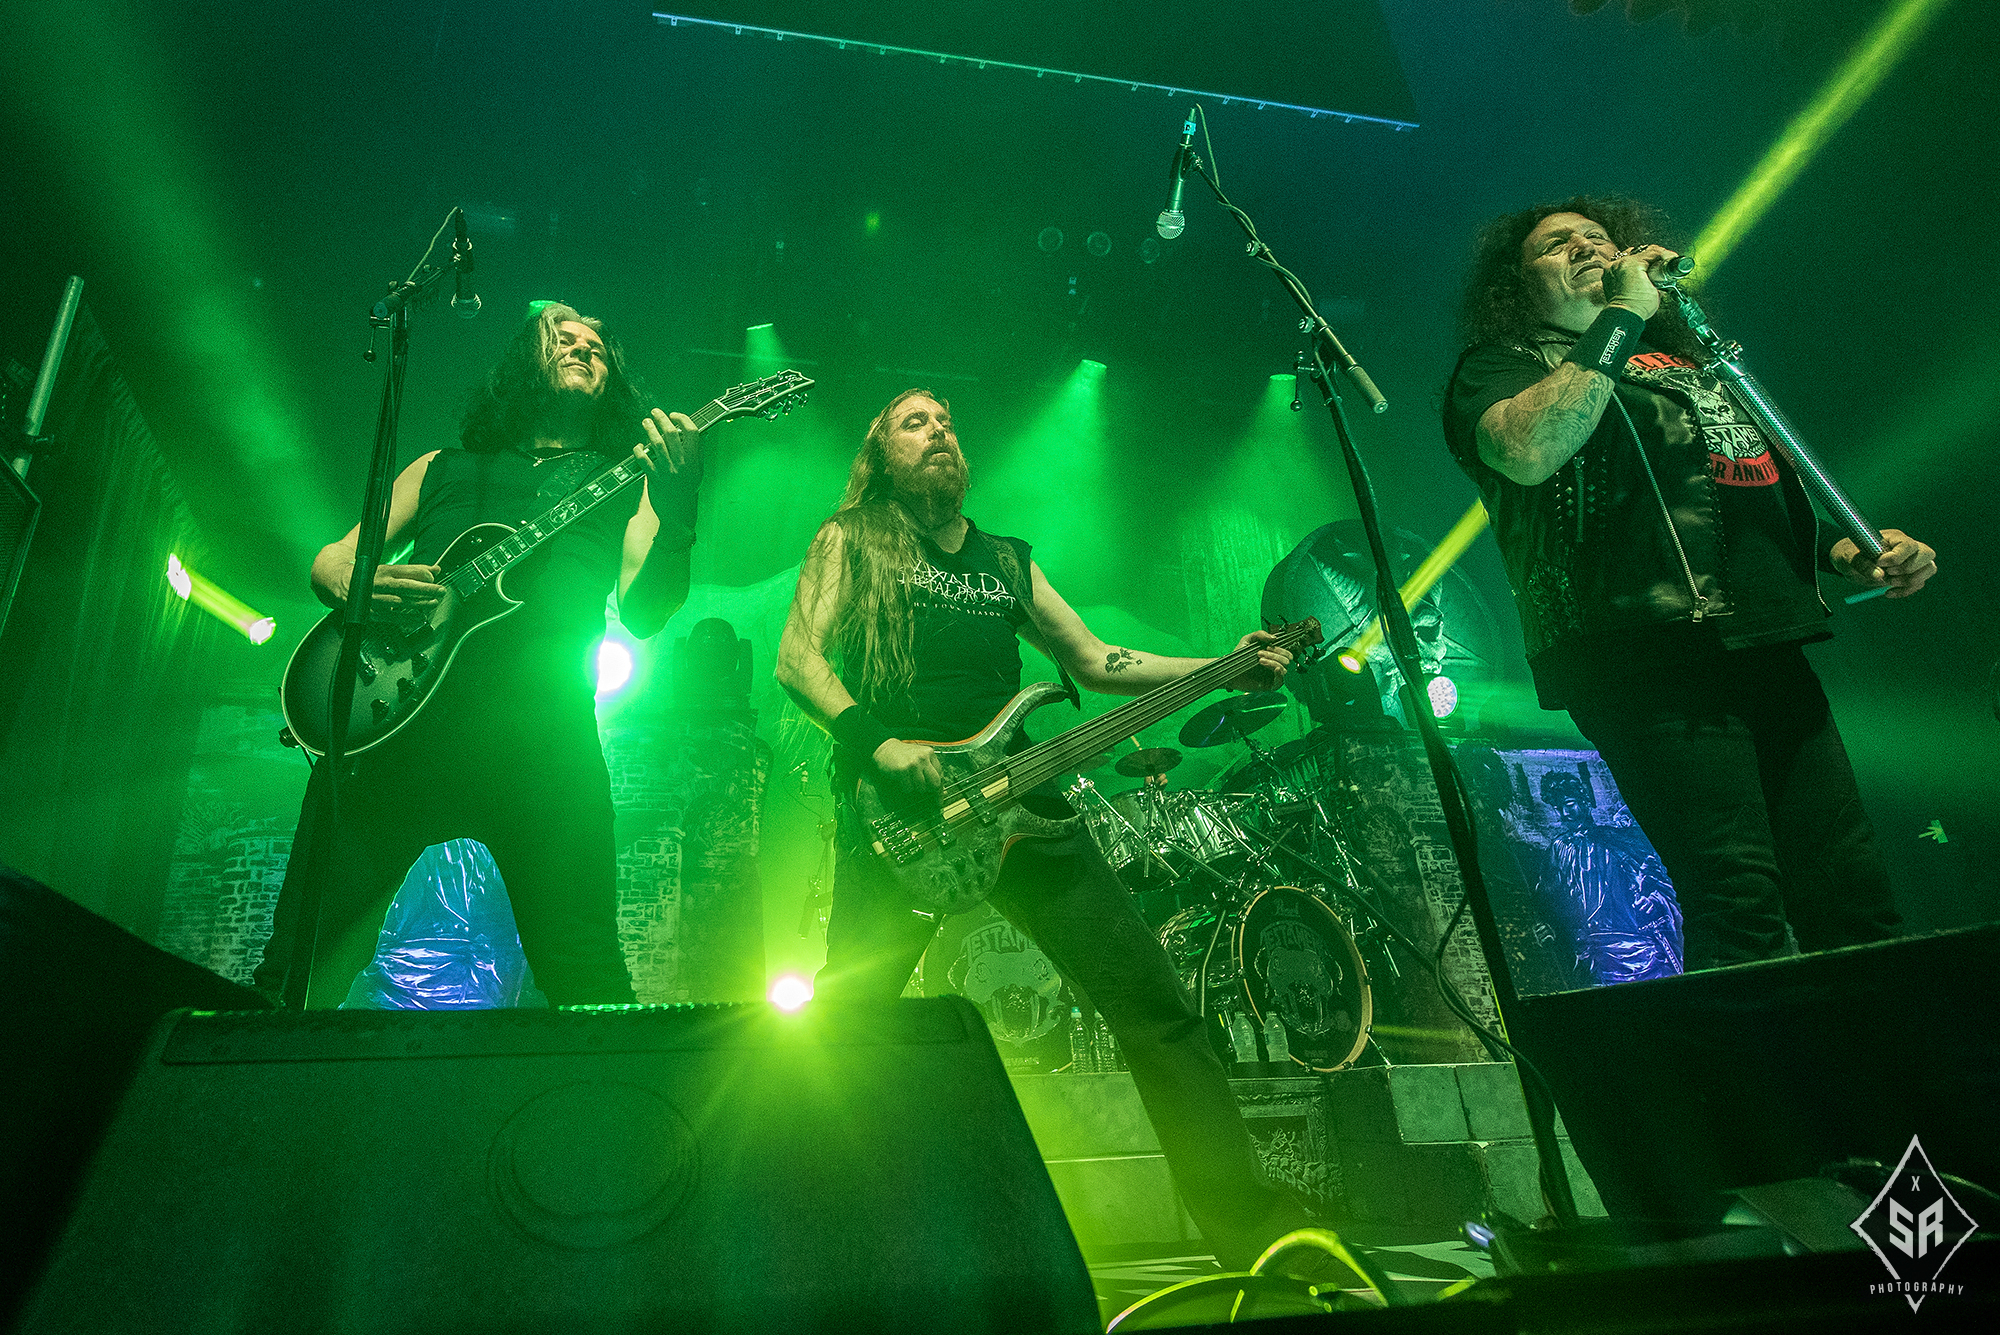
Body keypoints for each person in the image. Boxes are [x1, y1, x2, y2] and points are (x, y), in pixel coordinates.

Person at [774, 389, 1317, 1271]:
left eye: (948, 420)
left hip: (1025, 803)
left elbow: (1096, 660)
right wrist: (877, 743)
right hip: (903, 814)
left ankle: (1257, 1235)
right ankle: (807, 1247)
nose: (939, 430)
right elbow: (797, 659)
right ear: (879, 452)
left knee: (1158, 1009)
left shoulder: (1005, 559)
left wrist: (1223, 666)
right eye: (915, 421)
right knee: (847, 1028)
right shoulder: (852, 537)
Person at [1443, 196, 1936, 971]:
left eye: (1598, 237)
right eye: (1557, 245)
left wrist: (1849, 550)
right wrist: (1621, 316)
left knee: (1850, 884)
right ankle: (1750, 1054)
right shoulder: (1503, 367)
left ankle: (1886, 1051)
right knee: (1738, 897)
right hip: (1645, 655)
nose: (1587, 248)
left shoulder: (1686, 361)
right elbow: (1529, 450)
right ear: (1516, 284)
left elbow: (1740, 489)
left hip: (1766, 637)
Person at [255, 303, 704, 1006]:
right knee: (297, 961)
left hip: (544, 744)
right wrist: (358, 582)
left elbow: (647, 612)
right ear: (524, 362)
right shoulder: (441, 467)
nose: (584, 348)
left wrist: (679, 512)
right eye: (564, 338)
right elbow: (331, 559)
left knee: (587, 971)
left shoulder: (627, 482)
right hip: (397, 732)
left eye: (597, 347)